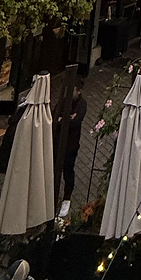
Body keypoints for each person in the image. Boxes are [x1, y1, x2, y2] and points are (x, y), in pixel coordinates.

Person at [57, 70, 88, 218]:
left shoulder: (81, 104)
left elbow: (76, 121)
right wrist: (67, 119)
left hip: (71, 144)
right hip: (58, 142)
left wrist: (63, 119)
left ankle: (67, 198)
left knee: (68, 170)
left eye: (73, 90)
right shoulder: (63, 101)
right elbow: (54, 116)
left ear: (78, 91)